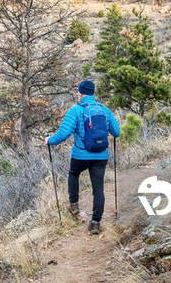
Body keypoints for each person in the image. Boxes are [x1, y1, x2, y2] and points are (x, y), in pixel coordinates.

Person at [44, 80, 120, 234]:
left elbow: (63, 134)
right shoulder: (104, 110)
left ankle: (74, 206)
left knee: (74, 173)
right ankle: (95, 223)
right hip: (101, 156)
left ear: (80, 93)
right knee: (98, 189)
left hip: (80, 156)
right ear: (93, 93)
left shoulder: (76, 110)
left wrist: (49, 140)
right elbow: (116, 132)